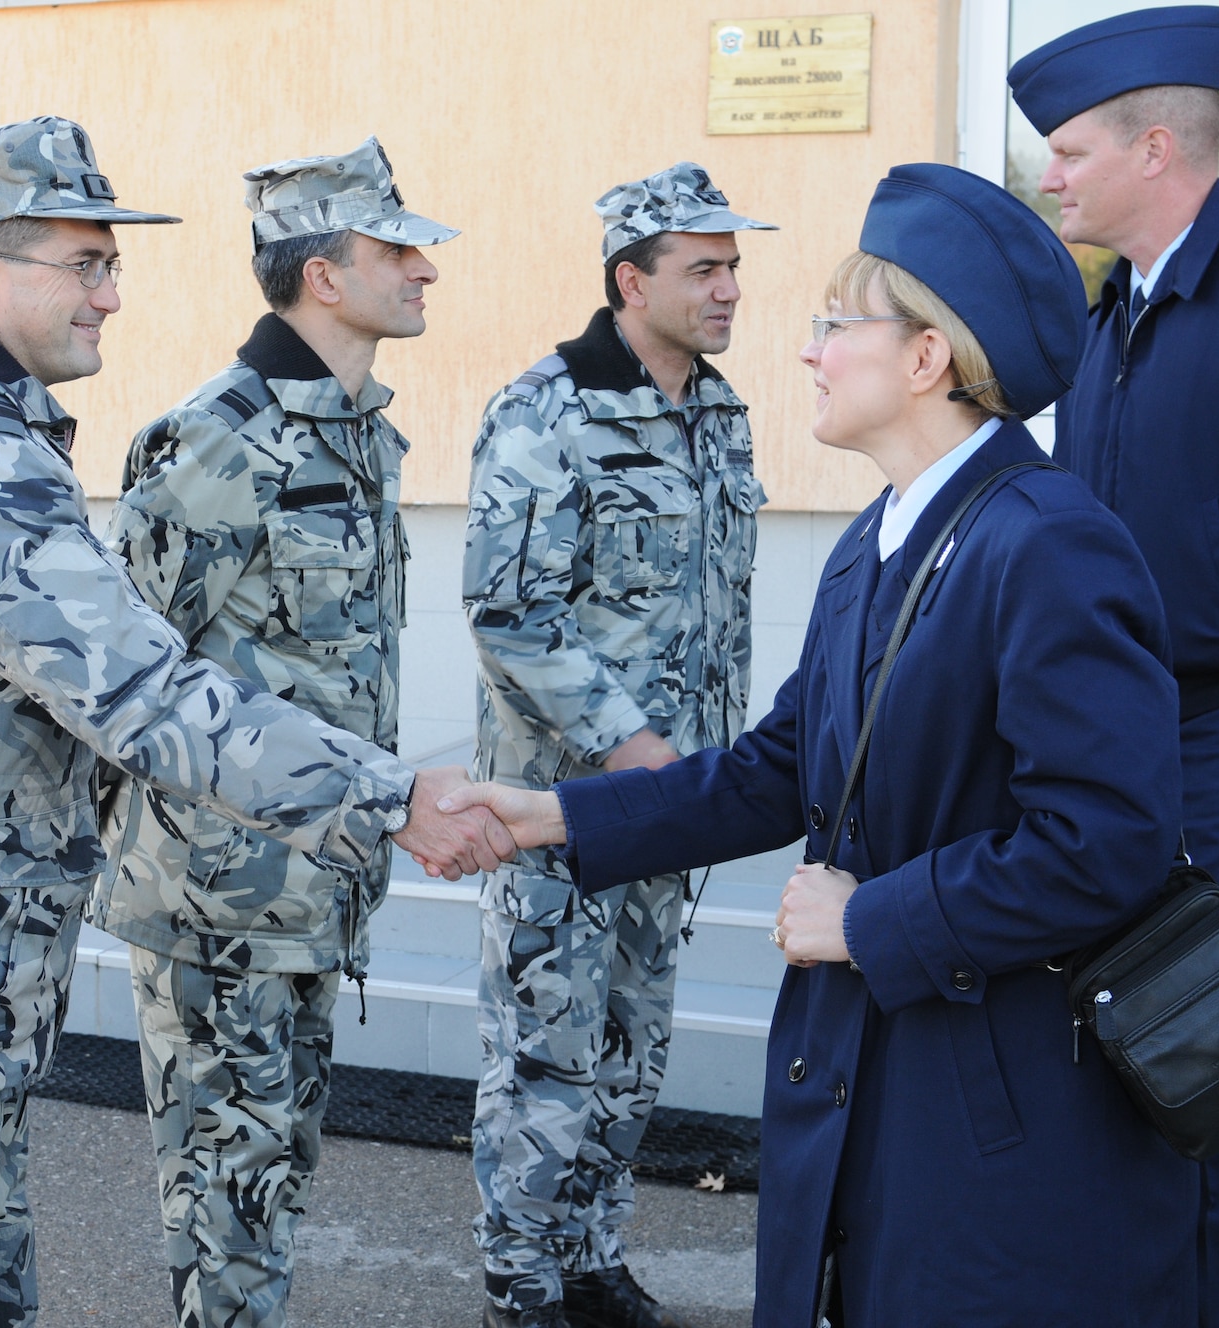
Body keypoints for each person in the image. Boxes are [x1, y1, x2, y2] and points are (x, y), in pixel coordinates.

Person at [0, 116, 511, 1328]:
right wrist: (392, 797)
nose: (113, 295)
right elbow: (143, 688)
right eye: (84, 263)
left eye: (113, 262)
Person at [435, 162, 1201, 1327]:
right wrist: (555, 814)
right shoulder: (878, 540)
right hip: (879, 1085)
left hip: (999, 1131)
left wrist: (866, 919)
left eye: (835, 322)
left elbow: (1107, 841)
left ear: (925, 357)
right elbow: (781, 768)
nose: (804, 348)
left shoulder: (1045, 543)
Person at [92, 137, 457, 1328]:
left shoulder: (358, 431)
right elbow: (118, 670)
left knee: (273, 1161)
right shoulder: (213, 439)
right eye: (394, 247)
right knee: (222, 1183)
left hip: (313, 881)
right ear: (322, 276)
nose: (423, 269)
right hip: (216, 897)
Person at [459, 162, 772, 1328]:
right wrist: (632, 745)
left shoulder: (717, 409)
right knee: (545, 1047)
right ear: (630, 280)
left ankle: (590, 1257)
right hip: (564, 806)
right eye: (705, 266)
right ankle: (520, 1283)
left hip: (671, 802)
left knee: (633, 1043)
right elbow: (506, 611)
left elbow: (719, 610)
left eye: (734, 263)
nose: (729, 286)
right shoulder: (547, 409)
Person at [1009, 9, 1219, 1316]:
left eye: (1072, 150)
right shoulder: (1105, 318)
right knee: (1149, 1077)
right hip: (1115, 744)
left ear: (1157, 148)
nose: (1050, 176)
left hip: (1209, 739)